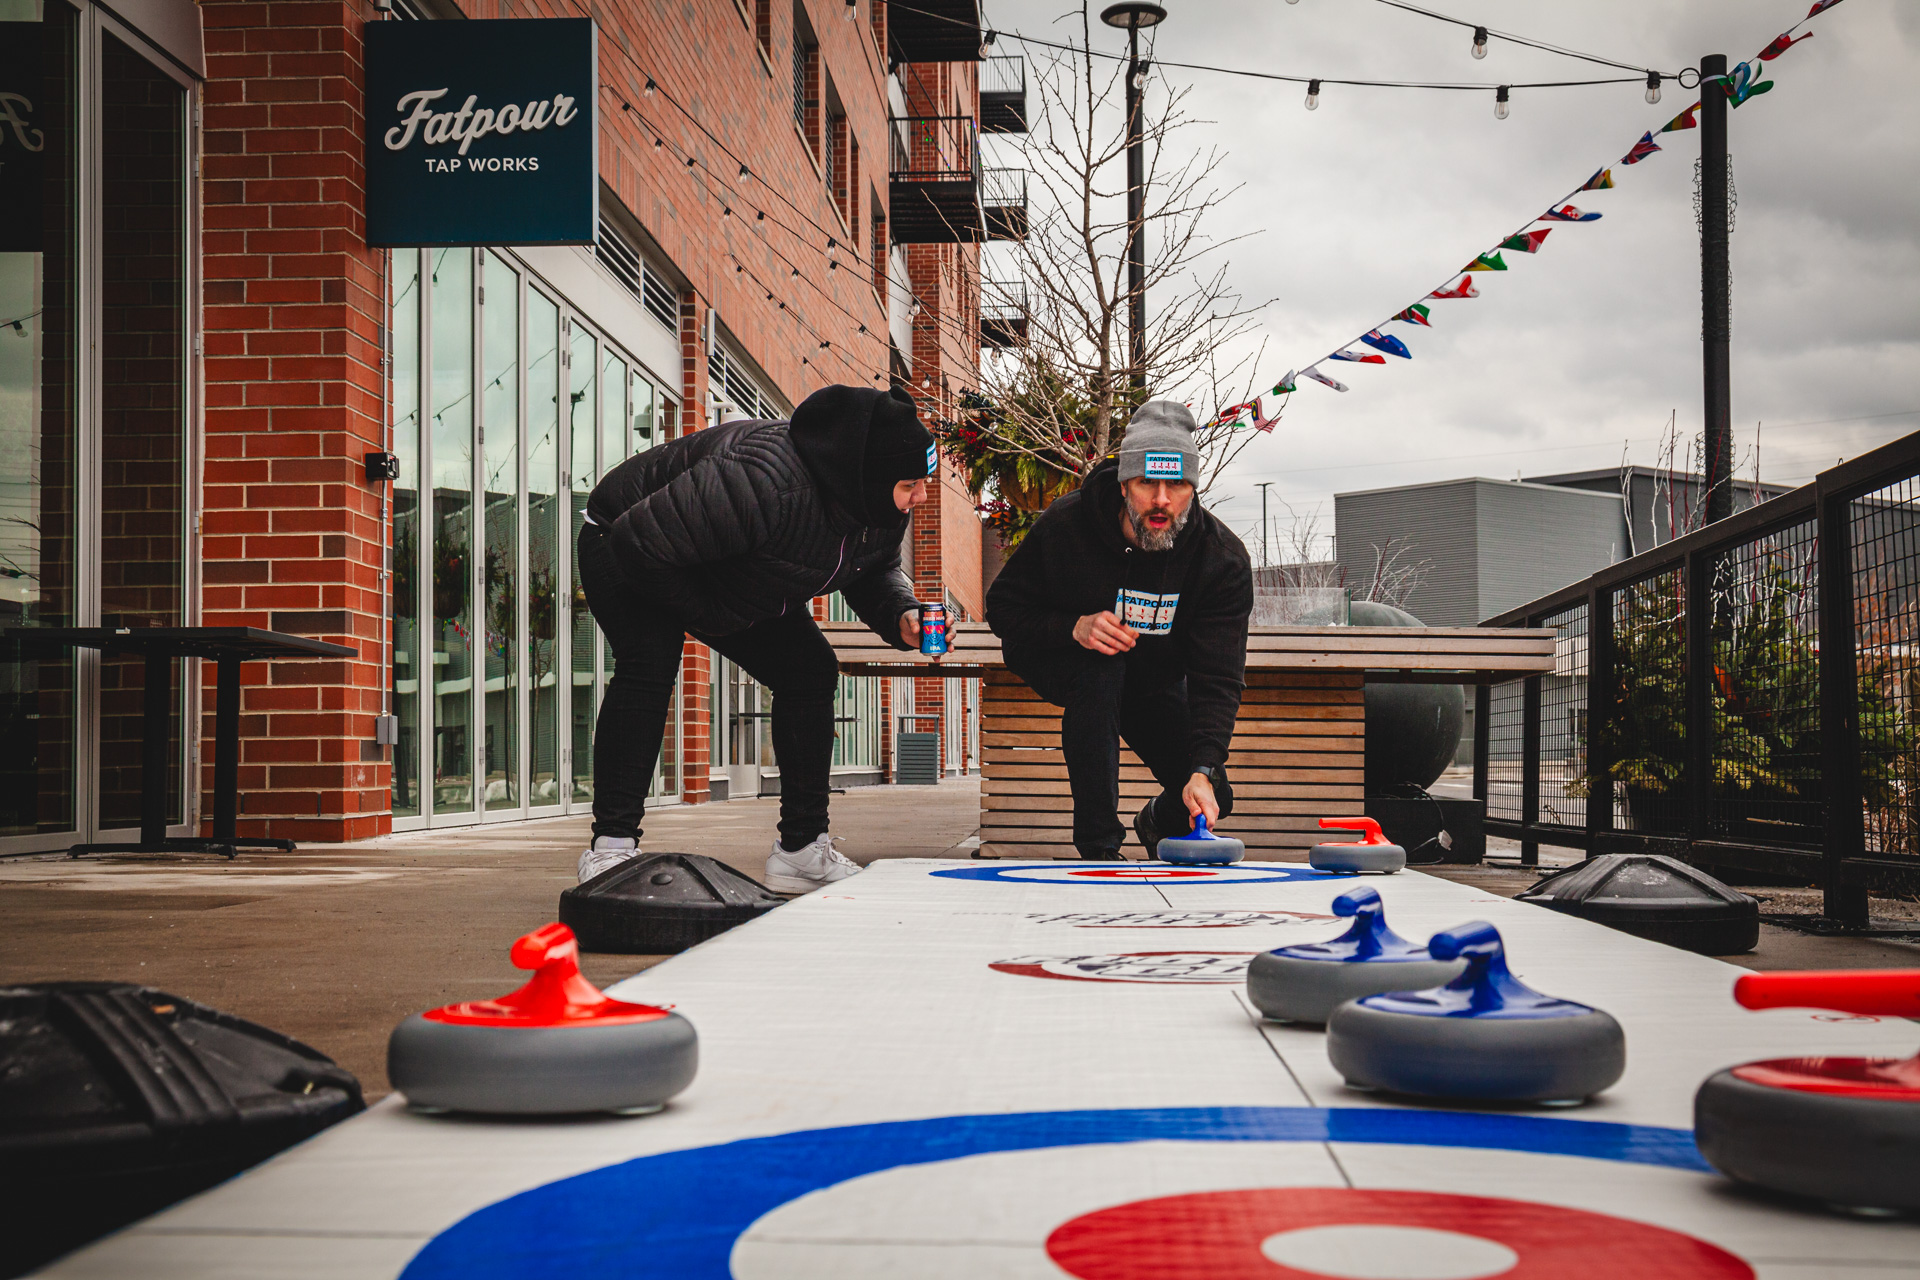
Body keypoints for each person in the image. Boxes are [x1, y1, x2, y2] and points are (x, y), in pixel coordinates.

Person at [575, 384, 936, 892]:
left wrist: (900, 612)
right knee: (650, 663)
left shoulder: (879, 509)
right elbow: (640, 542)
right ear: (865, 479)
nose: (920, 496)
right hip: (623, 537)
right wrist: (713, 615)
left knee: (809, 671)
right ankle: (611, 851)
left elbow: (873, 569)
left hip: (725, 567)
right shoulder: (760, 480)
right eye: (910, 484)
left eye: (924, 482)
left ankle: (801, 851)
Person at [985, 401, 1253, 859]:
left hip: (1153, 681)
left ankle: (1154, 822)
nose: (1162, 500)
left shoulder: (1220, 559)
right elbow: (1003, 607)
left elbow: (1218, 677)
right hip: (1062, 657)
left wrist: (1203, 769)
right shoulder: (1067, 524)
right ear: (1125, 481)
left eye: (1178, 484)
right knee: (1100, 672)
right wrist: (1073, 627)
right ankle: (1099, 847)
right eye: (1148, 482)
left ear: (1194, 488)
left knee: (1214, 793)